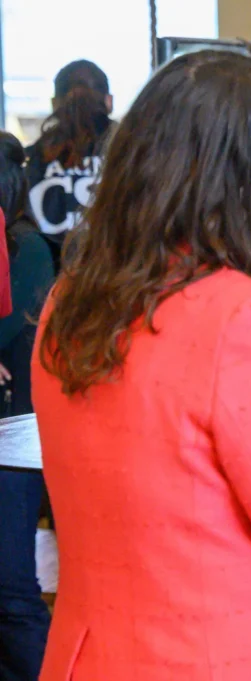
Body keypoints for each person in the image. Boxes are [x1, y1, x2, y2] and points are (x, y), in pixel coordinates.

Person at [31, 50, 251, 681]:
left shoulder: (66, 303)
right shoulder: (246, 320)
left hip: (89, 657)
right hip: (224, 656)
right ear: (239, 171)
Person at [0, 130, 56, 680]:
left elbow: (11, 331)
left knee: (11, 589)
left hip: (14, 435)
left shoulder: (28, 249)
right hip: (19, 429)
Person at [26, 59, 114, 272]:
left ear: (55, 104)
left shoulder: (29, 159)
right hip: (115, 283)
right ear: (109, 102)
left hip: (45, 288)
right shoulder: (131, 153)